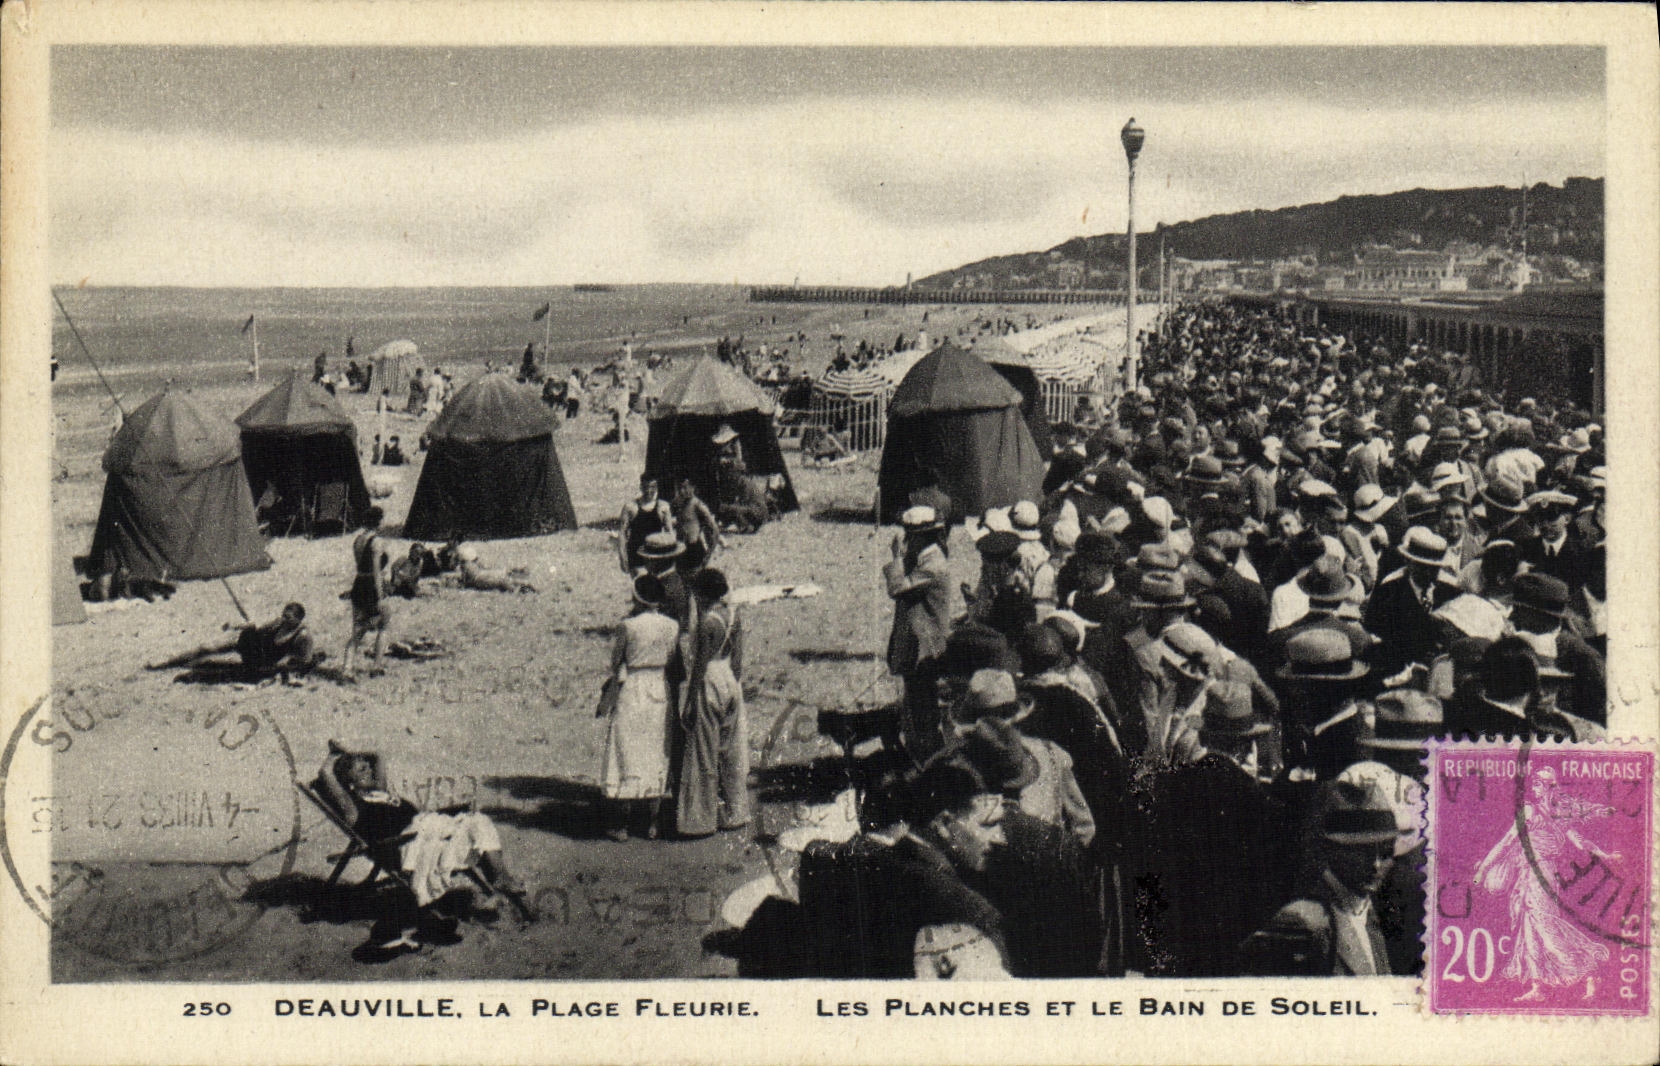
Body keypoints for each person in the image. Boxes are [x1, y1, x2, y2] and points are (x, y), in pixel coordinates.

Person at [316, 744, 527, 952]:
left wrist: (352, 752)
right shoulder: (354, 808)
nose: (369, 770)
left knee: (478, 821)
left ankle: (500, 876)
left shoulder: (381, 792)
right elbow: (326, 774)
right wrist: (334, 756)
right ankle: (495, 879)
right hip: (407, 846)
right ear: (350, 784)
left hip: (427, 831)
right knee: (471, 830)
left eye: (367, 766)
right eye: (362, 770)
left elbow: (379, 753)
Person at [1472, 766, 1617, 1002]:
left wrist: (1605, 854)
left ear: (1550, 788)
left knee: (1546, 926)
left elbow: (1578, 842)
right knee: (1529, 928)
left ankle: (1589, 973)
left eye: (1540, 783)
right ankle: (1537, 987)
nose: (1535, 786)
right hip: (1528, 874)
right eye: (1535, 782)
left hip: (1542, 875)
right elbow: (1508, 842)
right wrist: (1484, 869)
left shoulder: (1546, 814)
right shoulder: (1536, 812)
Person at [1240, 778, 1401, 975]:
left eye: (1385, 853)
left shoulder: (1366, 914)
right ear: (1331, 850)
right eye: (1361, 851)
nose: (1375, 864)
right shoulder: (1303, 920)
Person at [599, 574, 681, 841]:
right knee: (656, 750)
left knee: (627, 750)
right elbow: (672, 659)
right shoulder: (672, 625)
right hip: (659, 685)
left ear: (638, 597)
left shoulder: (628, 626)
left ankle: (622, 824)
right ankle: (652, 823)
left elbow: (616, 661)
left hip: (633, 685)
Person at [884, 505, 964, 763]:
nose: (907, 541)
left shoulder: (933, 563)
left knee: (922, 709)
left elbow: (898, 588)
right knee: (915, 707)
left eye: (911, 536)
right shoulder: (924, 558)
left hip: (927, 650)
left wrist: (896, 558)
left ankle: (926, 760)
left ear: (923, 536)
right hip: (917, 645)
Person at [675, 569, 749, 838]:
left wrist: (690, 700)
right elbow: (738, 659)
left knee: (703, 750)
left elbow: (699, 665)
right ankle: (736, 811)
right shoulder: (733, 615)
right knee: (730, 749)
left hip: (709, 679)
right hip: (729, 677)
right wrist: (733, 683)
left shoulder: (708, 622)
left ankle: (700, 819)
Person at [342, 507, 390, 679]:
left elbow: (360, 565)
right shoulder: (378, 542)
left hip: (359, 583)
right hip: (371, 585)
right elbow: (376, 570)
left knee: (357, 629)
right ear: (378, 521)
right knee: (384, 626)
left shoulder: (358, 540)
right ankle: (376, 666)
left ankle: (347, 667)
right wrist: (380, 595)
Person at [618, 475, 674, 574]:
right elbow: (622, 533)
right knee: (643, 585)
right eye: (645, 487)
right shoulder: (630, 507)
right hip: (636, 555)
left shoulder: (663, 507)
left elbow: (669, 533)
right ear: (641, 487)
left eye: (652, 487)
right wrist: (622, 557)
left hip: (655, 555)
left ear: (657, 487)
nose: (649, 491)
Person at [672, 478, 724, 575]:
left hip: (694, 551)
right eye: (680, 488)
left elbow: (715, 530)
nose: (682, 491)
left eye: (685, 487)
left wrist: (708, 554)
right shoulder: (678, 504)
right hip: (680, 552)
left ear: (693, 488)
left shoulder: (698, 505)